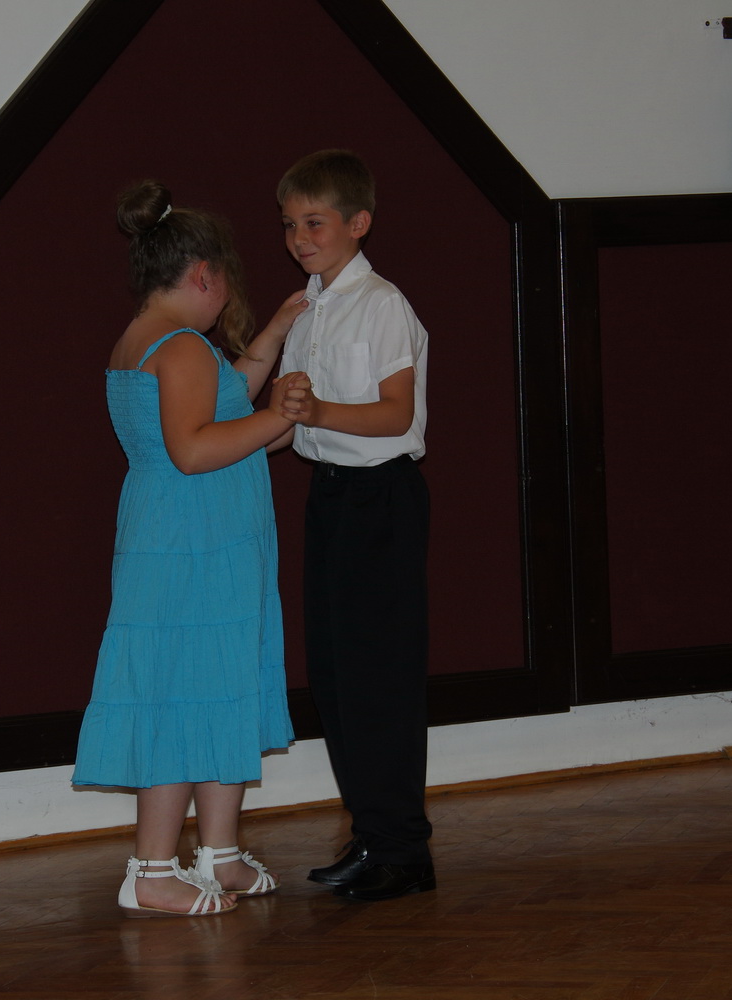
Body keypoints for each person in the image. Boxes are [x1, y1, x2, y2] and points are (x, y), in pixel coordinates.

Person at [73, 179, 310, 918]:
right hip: (191, 540)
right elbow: (195, 448)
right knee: (179, 688)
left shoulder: (152, 339)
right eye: (227, 279)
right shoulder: (179, 348)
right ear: (204, 274)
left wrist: (272, 337)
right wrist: (279, 417)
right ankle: (151, 870)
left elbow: (224, 398)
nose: (228, 294)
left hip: (194, 536)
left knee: (215, 679)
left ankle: (220, 853)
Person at [275, 150, 434, 902]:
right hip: (331, 496)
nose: (299, 238)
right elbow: (295, 418)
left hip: (380, 499)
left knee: (380, 676)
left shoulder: (382, 303)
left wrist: (319, 410)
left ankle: (403, 850)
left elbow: (395, 414)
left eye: (314, 222)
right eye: (289, 225)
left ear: (358, 222)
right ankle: (371, 833)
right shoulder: (307, 306)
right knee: (337, 678)